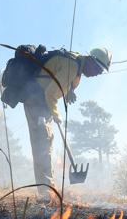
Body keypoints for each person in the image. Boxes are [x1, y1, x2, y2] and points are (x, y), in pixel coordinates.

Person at [20, 46, 111, 197]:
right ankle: (45, 192)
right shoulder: (73, 66)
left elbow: (56, 78)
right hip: (36, 101)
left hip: (42, 103)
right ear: (92, 61)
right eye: (98, 70)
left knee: (46, 142)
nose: (97, 74)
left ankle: (48, 188)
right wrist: (57, 116)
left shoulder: (77, 66)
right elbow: (50, 94)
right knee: (42, 143)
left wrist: (68, 91)